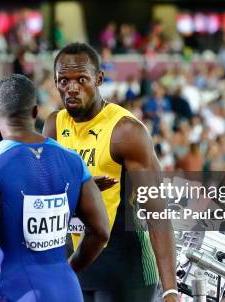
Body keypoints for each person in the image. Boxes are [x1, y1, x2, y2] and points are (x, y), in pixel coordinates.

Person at [0, 74, 110, 302]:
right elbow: (101, 232)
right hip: (68, 290)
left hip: (17, 292)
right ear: (35, 112)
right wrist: (66, 270)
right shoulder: (73, 160)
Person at [43, 42, 178, 302]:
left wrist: (170, 289)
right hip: (78, 265)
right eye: (63, 81)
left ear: (99, 79)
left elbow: (158, 211)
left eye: (81, 79)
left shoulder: (126, 132)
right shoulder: (54, 127)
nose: (71, 88)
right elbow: (47, 198)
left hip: (126, 269)